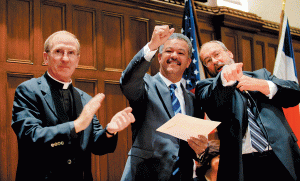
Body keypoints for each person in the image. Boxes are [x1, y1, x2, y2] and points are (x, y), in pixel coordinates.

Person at [11, 30, 135, 181]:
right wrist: (76, 125)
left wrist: (110, 130)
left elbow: (98, 146)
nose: (65, 58)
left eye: (71, 53)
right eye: (58, 51)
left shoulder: (85, 98)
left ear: (77, 60)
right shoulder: (29, 90)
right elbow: (30, 136)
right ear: (46, 57)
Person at [195, 40, 300, 181]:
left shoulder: (261, 75)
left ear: (229, 53)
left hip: (281, 157)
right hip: (243, 165)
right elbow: (215, 106)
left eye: (217, 54)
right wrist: (226, 79)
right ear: (206, 67)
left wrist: (263, 85)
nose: (214, 61)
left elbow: (294, 94)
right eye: (208, 60)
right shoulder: (206, 87)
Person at [120, 25, 208, 181]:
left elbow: (192, 145)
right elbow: (128, 82)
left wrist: (200, 151)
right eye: (169, 51)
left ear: (188, 62)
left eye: (180, 53)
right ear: (159, 57)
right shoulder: (145, 85)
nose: (174, 55)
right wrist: (152, 46)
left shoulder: (193, 100)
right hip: (145, 176)